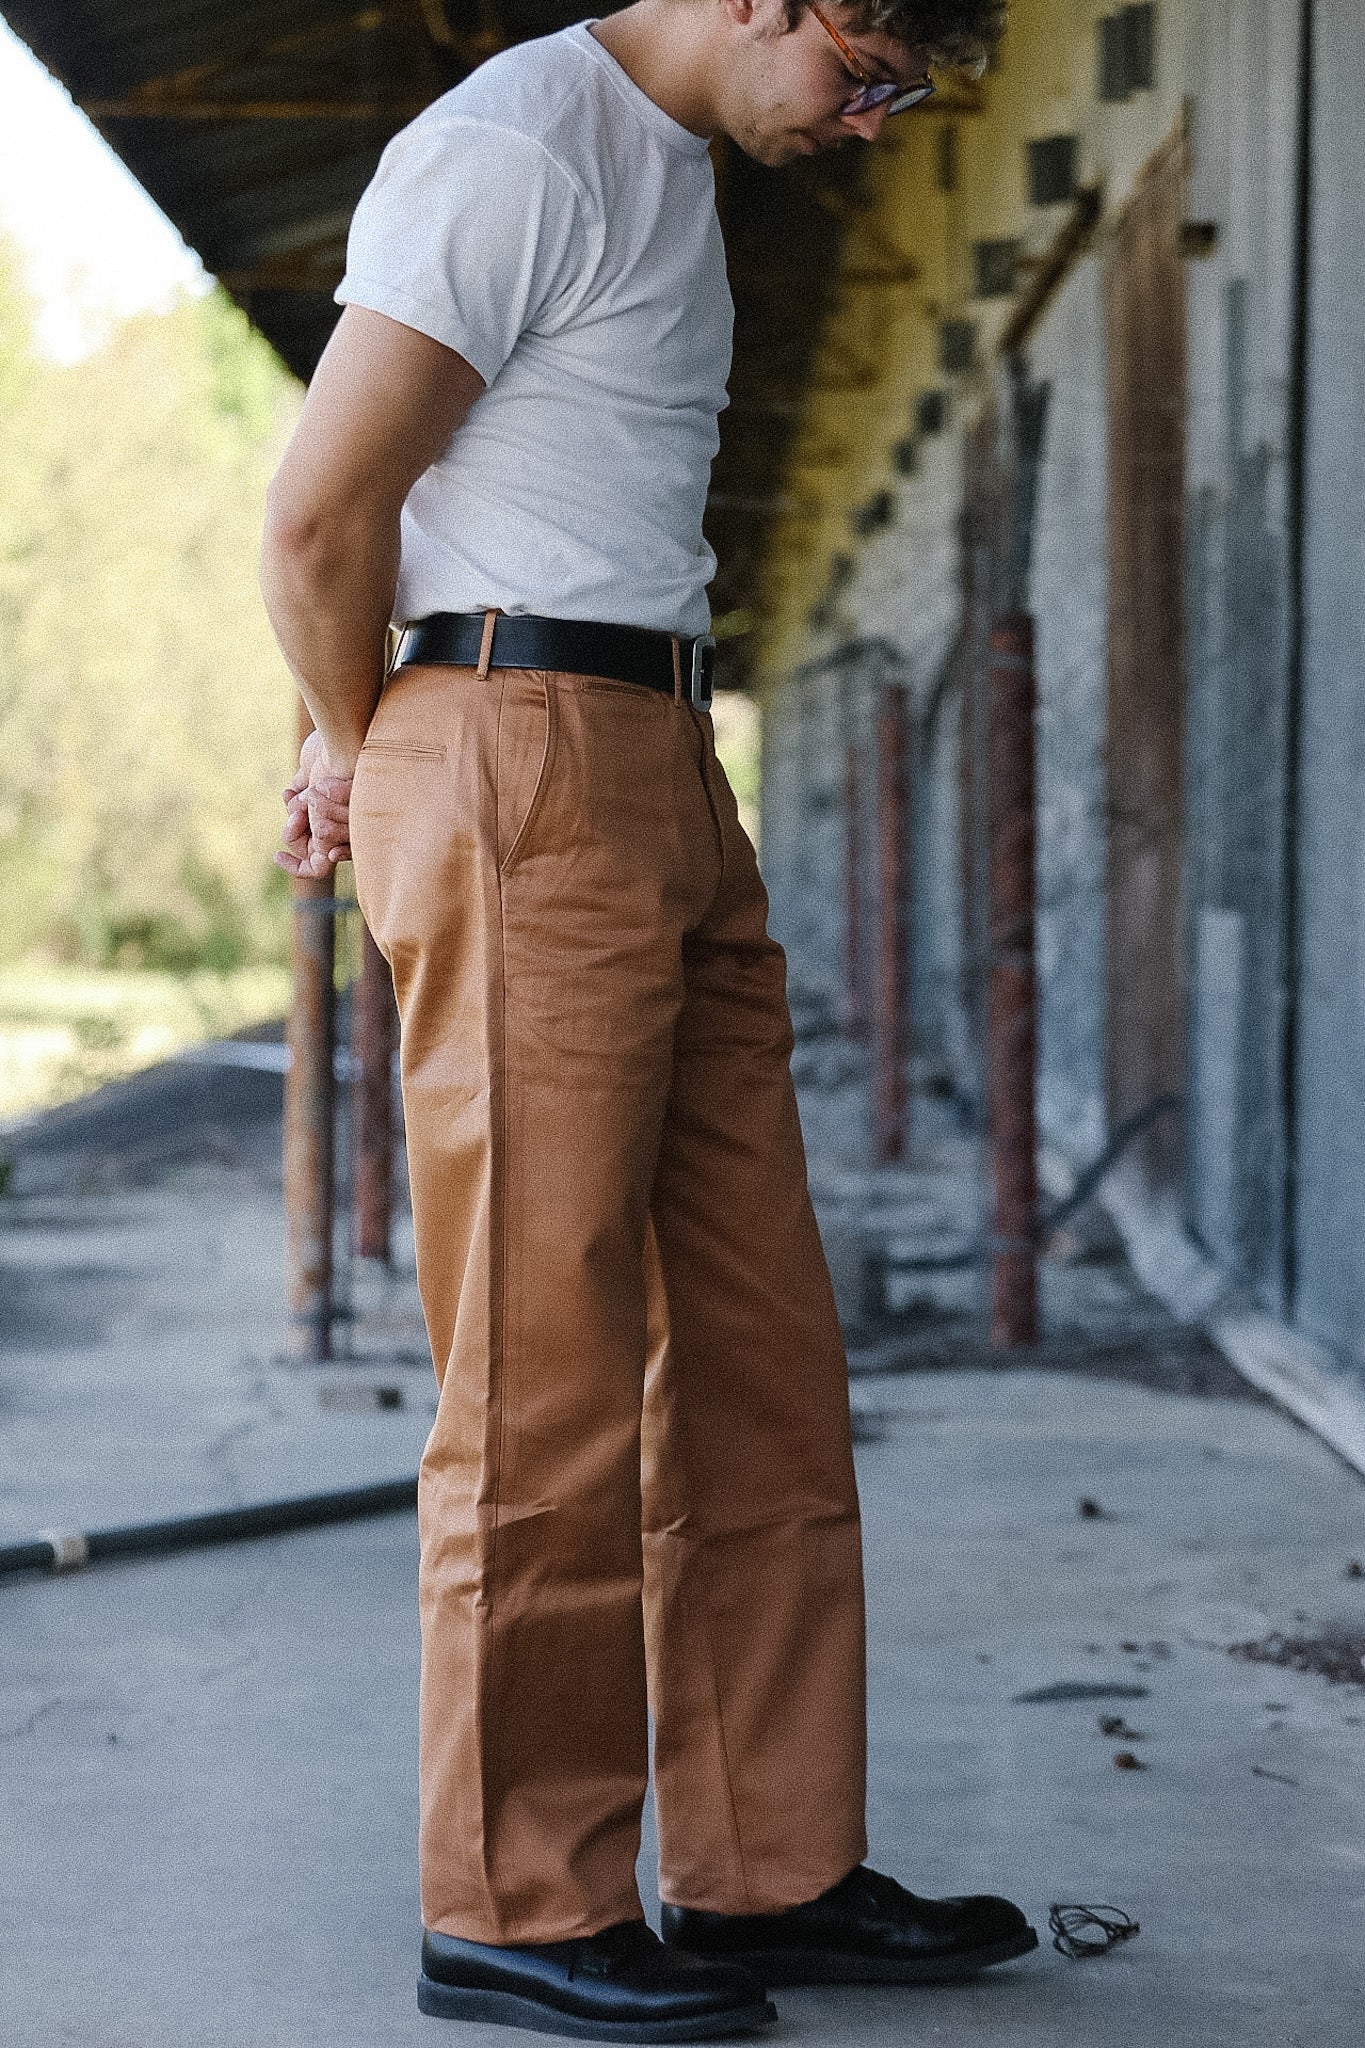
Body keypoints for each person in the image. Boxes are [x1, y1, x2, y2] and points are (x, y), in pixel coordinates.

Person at [260, 1, 1034, 2038]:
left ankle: (763, 1864)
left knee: (757, 1338)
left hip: (656, 751)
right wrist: (370, 754)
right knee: (540, 1357)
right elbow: (320, 514)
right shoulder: (522, 142)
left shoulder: (661, 167)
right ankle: (513, 1893)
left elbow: (475, 499)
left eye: (907, 101)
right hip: (518, 764)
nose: (874, 126)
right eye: (868, 70)